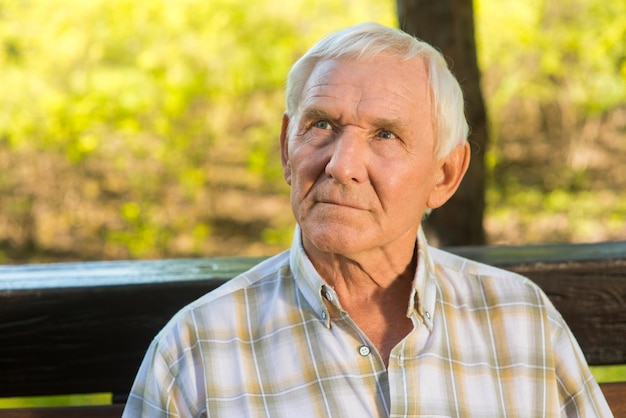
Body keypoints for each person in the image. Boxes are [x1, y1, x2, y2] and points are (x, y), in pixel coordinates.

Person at [122, 22, 612, 417]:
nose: (342, 165)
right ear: (286, 149)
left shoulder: (521, 321)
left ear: (444, 174)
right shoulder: (195, 349)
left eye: (385, 135)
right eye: (321, 126)